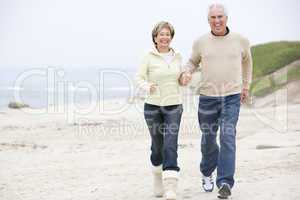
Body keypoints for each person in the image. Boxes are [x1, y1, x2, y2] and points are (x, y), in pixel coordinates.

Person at [180, 3, 253, 199]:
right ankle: (206, 171)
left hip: (232, 96)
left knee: (227, 137)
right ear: (208, 20)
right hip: (207, 98)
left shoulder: (240, 40)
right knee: (208, 140)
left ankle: (225, 182)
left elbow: (247, 62)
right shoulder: (200, 42)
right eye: (213, 17)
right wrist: (186, 72)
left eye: (220, 17)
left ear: (226, 18)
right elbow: (192, 61)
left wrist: (246, 86)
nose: (217, 21)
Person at [136, 21, 184, 200]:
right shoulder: (148, 57)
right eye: (161, 34)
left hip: (174, 105)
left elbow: (180, 78)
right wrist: (147, 86)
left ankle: (171, 187)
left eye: (167, 34)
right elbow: (139, 78)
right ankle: (157, 176)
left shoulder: (177, 56)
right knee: (157, 146)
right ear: (155, 38)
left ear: (171, 37)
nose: (164, 37)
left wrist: (184, 78)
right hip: (153, 106)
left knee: (170, 144)